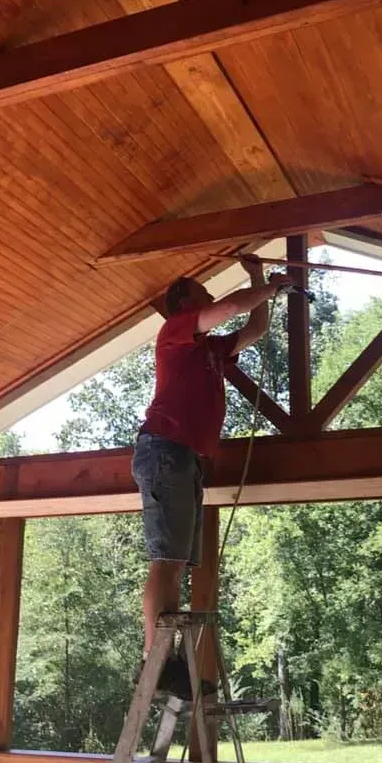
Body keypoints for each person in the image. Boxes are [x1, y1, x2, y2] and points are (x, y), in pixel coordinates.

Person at [132, 256, 291, 697]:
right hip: (165, 449)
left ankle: (166, 660)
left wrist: (259, 279)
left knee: (175, 562)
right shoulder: (175, 331)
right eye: (201, 291)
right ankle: (152, 661)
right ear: (184, 301)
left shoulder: (210, 350)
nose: (209, 295)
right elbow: (231, 308)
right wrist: (270, 288)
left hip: (183, 456)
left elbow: (255, 328)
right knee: (165, 559)